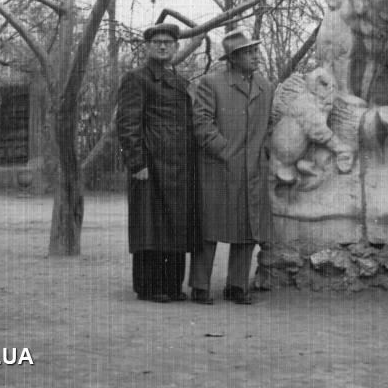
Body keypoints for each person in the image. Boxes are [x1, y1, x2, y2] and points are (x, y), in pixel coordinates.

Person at [188, 30, 274, 305]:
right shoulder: (211, 83)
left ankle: (237, 286)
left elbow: (270, 125)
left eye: (255, 51)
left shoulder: (265, 86)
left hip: (253, 170)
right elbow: (201, 124)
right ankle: (200, 286)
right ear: (233, 58)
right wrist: (225, 151)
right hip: (218, 168)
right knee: (209, 228)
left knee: (248, 228)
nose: (255, 56)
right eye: (249, 53)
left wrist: (266, 153)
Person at [116, 23, 200, 303]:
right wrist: (136, 162)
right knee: (150, 227)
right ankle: (149, 288)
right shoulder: (136, 78)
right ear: (147, 47)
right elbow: (127, 124)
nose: (162, 46)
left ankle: (172, 286)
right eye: (157, 42)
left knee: (174, 226)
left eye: (168, 42)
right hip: (150, 165)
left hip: (177, 167)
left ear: (176, 47)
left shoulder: (178, 80)